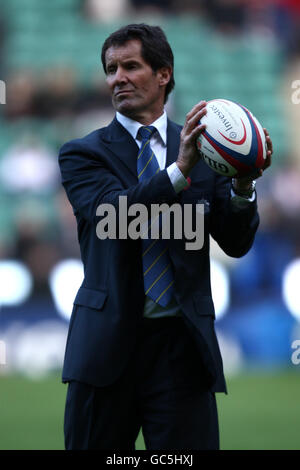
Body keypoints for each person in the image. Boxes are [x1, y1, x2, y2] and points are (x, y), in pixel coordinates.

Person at [58, 23, 273, 450]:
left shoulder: (208, 150)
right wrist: (178, 172)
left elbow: (235, 242)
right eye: (111, 68)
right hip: (106, 346)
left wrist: (244, 187)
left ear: (163, 74)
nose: (117, 77)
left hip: (182, 352)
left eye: (130, 66)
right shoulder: (83, 153)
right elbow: (113, 219)